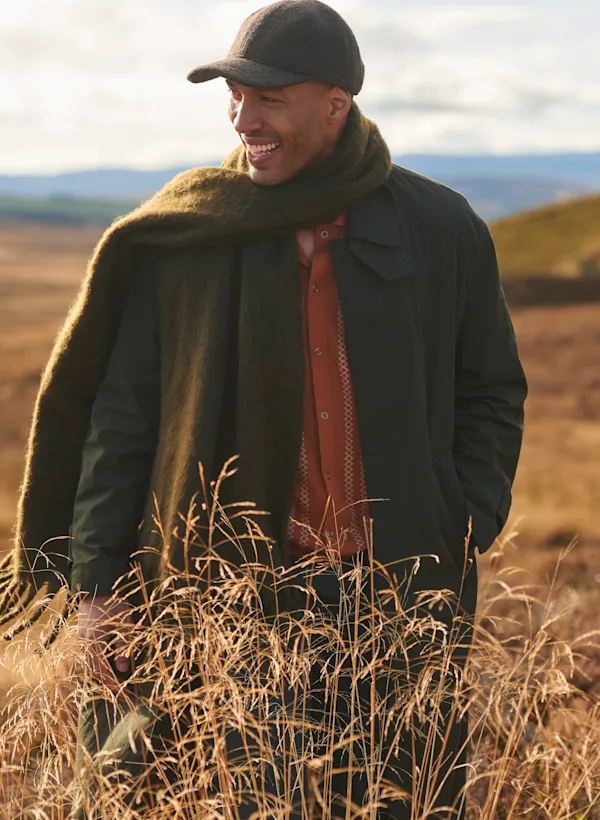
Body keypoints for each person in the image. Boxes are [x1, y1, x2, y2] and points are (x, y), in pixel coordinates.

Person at [8, 0, 527, 816]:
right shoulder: (192, 233)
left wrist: (459, 516)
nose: (244, 117)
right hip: (237, 601)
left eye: (269, 96)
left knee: (403, 801)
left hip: (398, 599)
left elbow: (491, 388)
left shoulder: (442, 229)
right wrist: (100, 586)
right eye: (234, 95)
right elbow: (123, 420)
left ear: (336, 103)